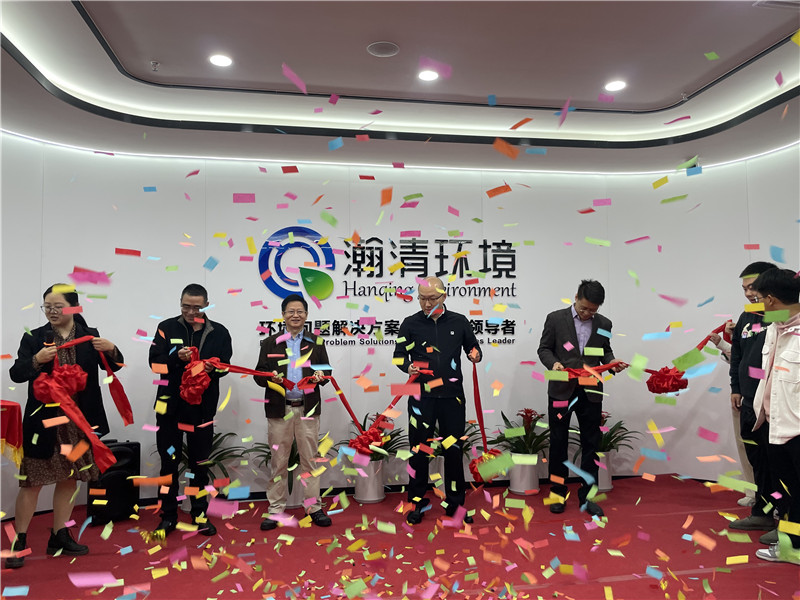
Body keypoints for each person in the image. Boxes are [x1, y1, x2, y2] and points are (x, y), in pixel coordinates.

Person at [6, 284, 124, 568]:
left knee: (70, 478)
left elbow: (115, 366)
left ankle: (59, 535)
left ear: (74, 307)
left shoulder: (89, 336)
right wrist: (36, 360)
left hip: (78, 423)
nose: (52, 311)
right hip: (44, 423)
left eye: (57, 306)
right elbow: (16, 373)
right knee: (32, 482)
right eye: (47, 306)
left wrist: (112, 349)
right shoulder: (34, 337)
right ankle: (19, 540)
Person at [393, 276, 482, 525]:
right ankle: (416, 503)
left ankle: (455, 504)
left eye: (432, 298)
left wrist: (475, 355)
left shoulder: (459, 321)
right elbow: (398, 356)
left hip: (452, 398)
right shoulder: (410, 323)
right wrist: (407, 366)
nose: (426, 303)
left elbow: (473, 347)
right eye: (422, 298)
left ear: (444, 296)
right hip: (421, 397)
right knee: (419, 452)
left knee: (453, 451)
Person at [537, 279, 627, 517]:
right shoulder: (555, 319)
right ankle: (558, 493)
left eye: (592, 311)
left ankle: (587, 496)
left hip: (591, 390)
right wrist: (553, 364)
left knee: (591, 443)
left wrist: (612, 362)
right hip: (560, 388)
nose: (587, 314)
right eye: (584, 308)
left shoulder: (604, 323)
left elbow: (605, 350)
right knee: (558, 442)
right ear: (576, 297)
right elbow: (544, 349)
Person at [149, 283, 232, 537]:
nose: (190, 311)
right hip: (169, 409)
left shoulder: (219, 332)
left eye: (196, 307)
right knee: (168, 465)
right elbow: (155, 366)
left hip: (202, 410)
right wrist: (177, 358)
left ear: (206, 305)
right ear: (180, 303)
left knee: (199, 466)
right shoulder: (166, 328)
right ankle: (168, 516)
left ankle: (199, 514)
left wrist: (212, 368)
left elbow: (226, 367)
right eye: (186, 306)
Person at [254, 294, 332, 530]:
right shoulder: (270, 343)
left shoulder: (317, 342)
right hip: (280, 410)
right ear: (283, 315)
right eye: (291, 311)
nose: (295, 315)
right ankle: (275, 509)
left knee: (310, 460)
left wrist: (321, 376)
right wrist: (270, 378)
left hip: (308, 409)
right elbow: (259, 375)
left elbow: (326, 372)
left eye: (300, 311)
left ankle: (313, 508)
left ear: (306, 315)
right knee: (279, 461)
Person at [749, 268, 800, 564]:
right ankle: (791, 545)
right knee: (788, 494)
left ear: (770, 299)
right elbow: (764, 372)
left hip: (796, 430)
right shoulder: (773, 327)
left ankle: (794, 545)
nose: (756, 305)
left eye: (757, 298)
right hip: (773, 424)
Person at [727, 262, 780, 539]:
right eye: (744, 289)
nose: (749, 294)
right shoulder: (747, 315)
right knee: (757, 460)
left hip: (773, 403)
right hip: (748, 401)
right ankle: (762, 511)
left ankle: (786, 518)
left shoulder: (782, 316)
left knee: (778, 462)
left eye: (752, 287)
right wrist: (736, 387)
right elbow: (737, 353)